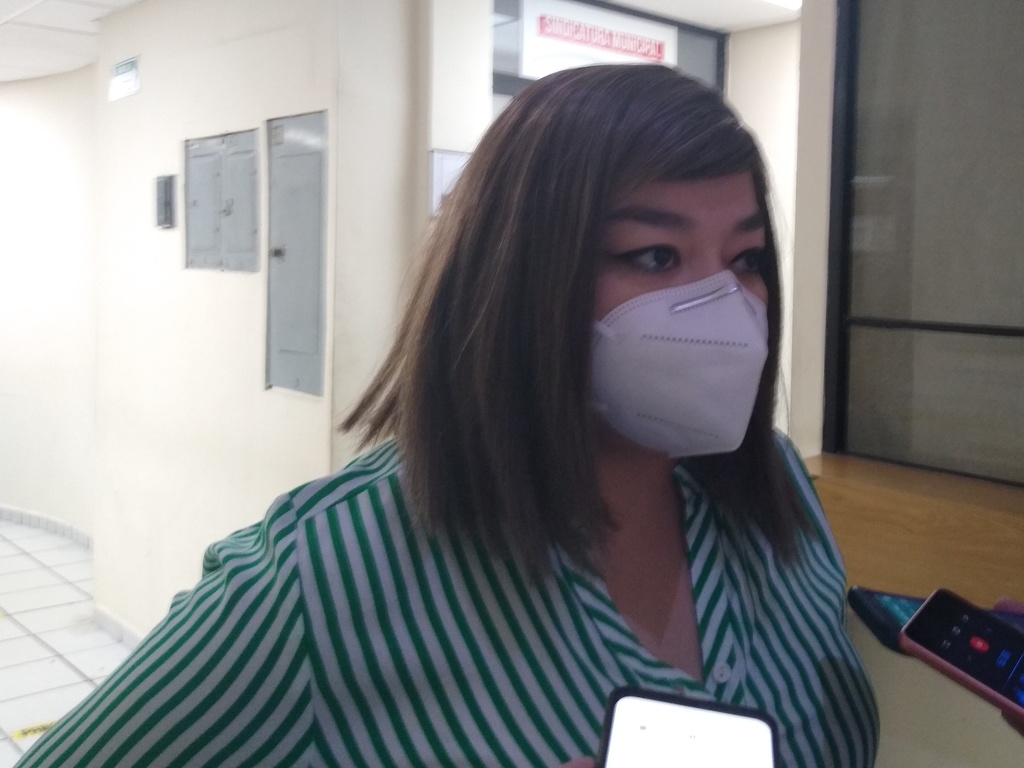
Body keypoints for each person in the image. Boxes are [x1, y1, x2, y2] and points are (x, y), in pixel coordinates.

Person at [18, 64, 879, 767]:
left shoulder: (773, 493)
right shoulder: (319, 579)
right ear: (523, 275)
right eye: (654, 255)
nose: (725, 307)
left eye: (746, 259)